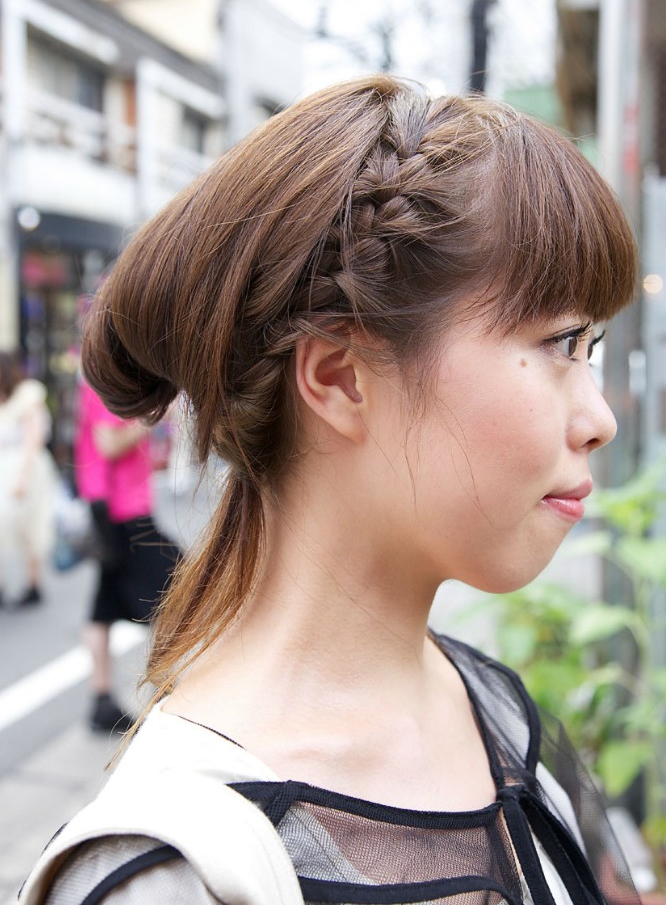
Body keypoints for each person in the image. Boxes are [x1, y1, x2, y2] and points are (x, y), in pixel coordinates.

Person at [21, 76, 642, 904]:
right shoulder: (171, 870)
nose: (598, 416)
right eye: (561, 341)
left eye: (592, 347)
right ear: (342, 378)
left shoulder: (495, 705)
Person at [74, 377, 181, 733]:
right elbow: (108, 444)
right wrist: (154, 416)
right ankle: (165, 690)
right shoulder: (106, 384)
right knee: (180, 586)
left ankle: (102, 701)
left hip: (119, 511)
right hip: (122, 514)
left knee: (103, 605)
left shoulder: (111, 383)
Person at [0, 352, 56, 608]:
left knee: (32, 526)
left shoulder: (27, 395)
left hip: (27, 472)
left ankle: (34, 583)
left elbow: (34, 438)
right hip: (5, 472)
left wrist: (22, 478)